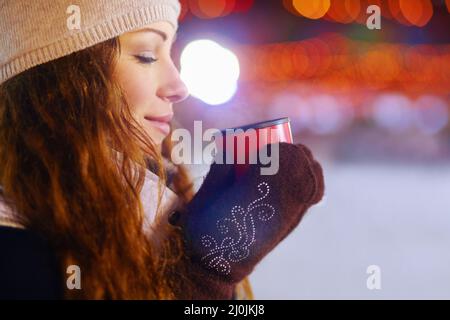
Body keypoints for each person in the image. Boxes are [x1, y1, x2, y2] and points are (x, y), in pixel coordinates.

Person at [0, 0, 325, 300]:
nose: (179, 86)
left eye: (171, 52)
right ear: (63, 74)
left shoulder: (149, 197)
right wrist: (205, 275)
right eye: (146, 55)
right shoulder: (16, 248)